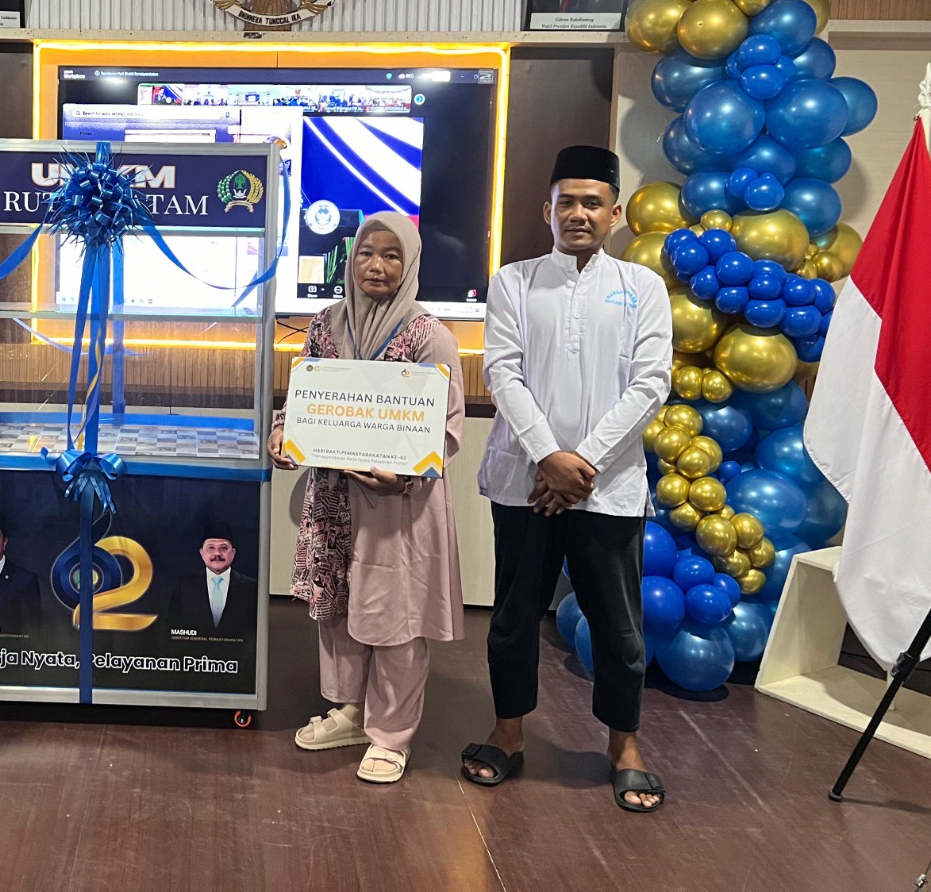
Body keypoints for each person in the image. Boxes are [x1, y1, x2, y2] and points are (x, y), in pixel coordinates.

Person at [460, 145, 673, 813]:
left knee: (618, 627)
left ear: (615, 213)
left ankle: (624, 745)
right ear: (545, 210)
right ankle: (508, 731)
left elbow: (651, 383)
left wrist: (582, 464)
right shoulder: (515, 281)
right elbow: (502, 372)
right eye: (566, 203)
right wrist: (548, 456)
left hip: (607, 489)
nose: (578, 214)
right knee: (514, 617)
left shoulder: (642, 287)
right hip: (524, 483)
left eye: (592, 203)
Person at [268, 212, 466, 785]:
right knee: (338, 607)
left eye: (391, 255)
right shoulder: (325, 325)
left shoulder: (429, 336)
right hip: (332, 500)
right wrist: (284, 432)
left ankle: (391, 734)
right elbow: (305, 396)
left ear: (411, 263)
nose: (376, 266)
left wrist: (404, 476)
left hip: (397, 505)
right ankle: (353, 712)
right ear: (350, 260)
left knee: (394, 617)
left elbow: (446, 426)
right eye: (365, 254)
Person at [162, 522, 259, 641]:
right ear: (202, 553)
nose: (217, 553)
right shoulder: (184, 587)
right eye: (211, 548)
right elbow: (171, 629)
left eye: (223, 548)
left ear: (233, 553)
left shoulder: (251, 587)